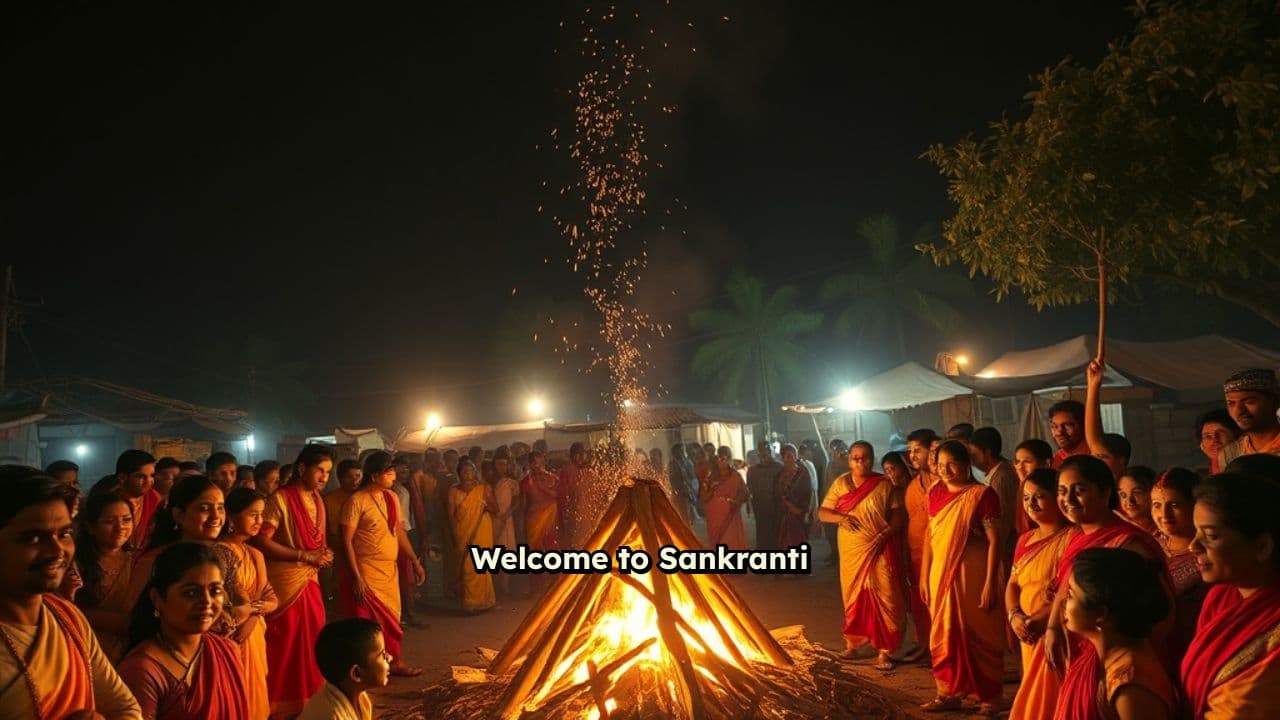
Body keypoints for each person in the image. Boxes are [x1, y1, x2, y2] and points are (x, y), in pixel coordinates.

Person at [0, 466, 142, 717]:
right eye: (33, 538)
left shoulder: (67, 617)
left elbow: (124, 707)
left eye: (64, 534)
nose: (57, 551)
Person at [1042, 456, 1171, 696]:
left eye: (1079, 490)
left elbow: (1159, 612)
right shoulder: (1078, 536)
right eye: (1061, 491)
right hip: (1077, 649)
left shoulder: (1128, 544)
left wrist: (1118, 658)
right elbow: (1067, 585)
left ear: (1104, 492)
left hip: (1111, 658)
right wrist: (1052, 628)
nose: (1068, 499)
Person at [1180, 472, 1280, 718]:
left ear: (1262, 546)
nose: (1193, 546)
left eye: (1210, 536)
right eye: (1195, 532)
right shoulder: (1221, 597)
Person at [918, 440, 1004, 714]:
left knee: (979, 631)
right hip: (939, 572)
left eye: (952, 464)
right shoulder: (934, 492)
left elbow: (996, 541)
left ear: (967, 465)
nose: (945, 470)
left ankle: (989, 696)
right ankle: (947, 692)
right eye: (940, 465)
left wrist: (991, 581)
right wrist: (923, 574)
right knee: (943, 631)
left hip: (973, 572)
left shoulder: (982, 495)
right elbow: (930, 536)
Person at [118, 542, 250, 719]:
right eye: (191, 593)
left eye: (215, 590)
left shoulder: (227, 650)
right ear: (157, 599)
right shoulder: (142, 670)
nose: (207, 602)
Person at [253, 444, 334, 717]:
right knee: (284, 644)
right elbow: (261, 540)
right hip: (286, 583)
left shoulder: (318, 500)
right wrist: (304, 555)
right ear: (302, 469)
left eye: (327, 472)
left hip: (309, 580)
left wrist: (321, 554)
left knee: (312, 640)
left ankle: (307, 701)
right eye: (319, 471)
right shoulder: (280, 499)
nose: (324, 477)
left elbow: (316, 540)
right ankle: (277, 705)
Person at [1053, 548, 1176, 720]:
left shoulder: (1131, 685)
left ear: (1100, 614)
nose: (1064, 603)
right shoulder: (1097, 656)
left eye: (1071, 595)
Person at [817, 441, 904, 671]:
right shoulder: (841, 483)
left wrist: (885, 533)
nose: (860, 461)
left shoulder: (884, 484)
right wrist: (842, 518)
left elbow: (897, 514)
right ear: (849, 460)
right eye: (855, 457)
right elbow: (823, 513)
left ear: (872, 458)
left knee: (886, 595)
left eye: (864, 457)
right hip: (851, 551)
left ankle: (884, 651)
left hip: (879, 547)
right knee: (853, 595)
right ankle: (853, 644)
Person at [339, 452, 425, 676]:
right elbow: (345, 540)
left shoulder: (391, 498)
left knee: (392, 620)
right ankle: (367, 669)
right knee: (368, 625)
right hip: (366, 571)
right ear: (376, 475)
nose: (394, 477)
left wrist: (415, 561)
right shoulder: (357, 501)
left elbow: (399, 532)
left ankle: (394, 662)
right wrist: (357, 577)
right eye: (390, 472)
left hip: (389, 571)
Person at [1006, 468, 1072, 720]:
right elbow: (1013, 583)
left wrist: (1041, 620)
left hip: (1053, 628)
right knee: (1030, 687)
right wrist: (1014, 615)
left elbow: (1067, 590)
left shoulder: (1071, 538)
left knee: (1049, 696)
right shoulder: (1025, 539)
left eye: (1039, 496)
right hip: (1025, 628)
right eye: (1026, 497)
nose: (1031, 504)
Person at [219, 488, 278, 720]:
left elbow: (273, 599)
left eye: (261, 515)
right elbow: (235, 597)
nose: (259, 521)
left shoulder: (255, 554)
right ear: (232, 517)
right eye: (252, 514)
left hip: (253, 632)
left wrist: (254, 614)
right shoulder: (220, 552)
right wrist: (255, 608)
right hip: (232, 636)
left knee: (256, 698)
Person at [1149, 468, 1206, 667]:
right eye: (1156, 505)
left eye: (1174, 504)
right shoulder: (1147, 545)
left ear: (1194, 505)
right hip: (1153, 652)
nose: (1164, 514)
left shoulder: (1208, 553)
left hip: (1195, 651)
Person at [73, 492, 137, 663]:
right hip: (89, 652)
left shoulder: (139, 560)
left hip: (134, 652)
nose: (121, 527)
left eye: (126, 519)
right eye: (110, 521)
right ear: (90, 527)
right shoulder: (76, 565)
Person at [299, 618, 389, 720]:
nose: (390, 658)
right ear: (356, 673)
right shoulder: (331, 715)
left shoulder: (360, 697)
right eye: (382, 654)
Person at [902, 428, 939, 662]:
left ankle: (940, 648)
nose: (913, 456)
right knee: (920, 602)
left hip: (940, 554)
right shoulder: (913, 485)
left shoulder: (943, 482)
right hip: (916, 553)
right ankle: (924, 643)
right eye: (910, 451)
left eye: (918, 450)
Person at [968, 427, 1021, 565]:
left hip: (1004, 550)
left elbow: (1002, 520)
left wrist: (996, 553)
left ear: (987, 452)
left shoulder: (1002, 476)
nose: (971, 459)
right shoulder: (993, 473)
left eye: (974, 454)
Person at [451, 458, 496, 613]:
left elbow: (495, 508)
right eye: (465, 471)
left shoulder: (484, 488)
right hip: (463, 531)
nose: (468, 475)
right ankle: (469, 601)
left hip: (481, 528)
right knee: (467, 566)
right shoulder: (453, 491)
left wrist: (486, 505)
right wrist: (453, 534)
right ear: (459, 474)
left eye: (471, 471)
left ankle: (484, 601)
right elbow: (451, 515)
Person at [1218, 368, 1280, 467]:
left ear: (1275, 402)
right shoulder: (1230, 453)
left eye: (1249, 402)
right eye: (1231, 403)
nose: (1239, 410)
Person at [522, 450, 559, 596]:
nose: (536, 466)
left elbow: (558, 496)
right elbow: (524, 506)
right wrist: (523, 525)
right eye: (533, 463)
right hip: (533, 521)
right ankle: (535, 588)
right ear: (529, 464)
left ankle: (555, 586)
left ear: (544, 462)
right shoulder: (525, 482)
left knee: (552, 550)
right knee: (535, 554)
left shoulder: (553, 479)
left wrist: (542, 488)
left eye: (539, 462)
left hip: (550, 519)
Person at [324, 459, 362, 601]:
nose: (354, 481)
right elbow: (326, 529)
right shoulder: (329, 500)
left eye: (358, 476)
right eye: (349, 477)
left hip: (362, 550)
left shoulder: (363, 497)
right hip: (338, 549)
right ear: (340, 478)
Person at [700, 447, 748, 550]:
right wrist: (712, 487)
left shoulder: (735, 476)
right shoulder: (710, 477)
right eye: (719, 457)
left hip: (730, 518)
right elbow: (703, 497)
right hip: (715, 518)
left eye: (724, 458)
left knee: (732, 545)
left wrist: (734, 502)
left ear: (729, 459)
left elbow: (745, 493)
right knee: (718, 546)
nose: (721, 461)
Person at [113, 449, 162, 549]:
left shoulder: (153, 498)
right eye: (141, 476)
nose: (149, 481)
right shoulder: (109, 500)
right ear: (122, 477)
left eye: (152, 476)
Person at [490, 449, 519, 597]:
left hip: (507, 520)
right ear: (495, 465)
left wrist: (507, 514)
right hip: (494, 519)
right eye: (500, 464)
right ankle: (496, 586)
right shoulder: (490, 482)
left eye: (505, 465)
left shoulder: (511, 483)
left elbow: (516, 501)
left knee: (507, 551)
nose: (502, 467)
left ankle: (505, 586)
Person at [746, 441, 783, 550]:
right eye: (761, 454)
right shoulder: (753, 470)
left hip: (776, 508)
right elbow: (750, 489)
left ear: (771, 453)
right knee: (762, 534)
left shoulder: (779, 468)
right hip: (760, 508)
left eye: (767, 453)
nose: (764, 457)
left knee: (776, 535)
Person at [776, 444, 813, 550]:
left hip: (798, 516)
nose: (790, 459)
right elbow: (777, 494)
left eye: (793, 456)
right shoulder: (780, 475)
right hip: (784, 516)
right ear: (783, 458)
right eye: (787, 456)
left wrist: (799, 510)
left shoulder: (803, 474)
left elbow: (808, 493)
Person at [821, 439, 849, 564]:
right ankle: (834, 553)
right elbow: (826, 483)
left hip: (844, 503)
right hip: (830, 502)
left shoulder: (848, 464)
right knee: (829, 529)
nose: (835, 451)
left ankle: (842, 555)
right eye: (833, 448)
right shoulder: (830, 464)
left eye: (838, 448)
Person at [557, 443, 587, 550]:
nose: (583, 457)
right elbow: (564, 495)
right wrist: (567, 512)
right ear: (575, 456)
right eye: (581, 454)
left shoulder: (581, 470)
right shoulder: (568, 471)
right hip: (572, 512)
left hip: (580, 511)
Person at [1194, 409, 1239, 476]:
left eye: (1220, 433)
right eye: (1208, 436)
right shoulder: (1203, 476)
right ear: (1202, 445)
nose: (1214, 440)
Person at [1115, 466, 1157, 534]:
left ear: (1153, 492)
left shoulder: (1166, 530)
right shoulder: (1115, 529)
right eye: (1123, 495)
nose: (1129, 501)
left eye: (1136, 493)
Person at [1048, 399, 1089, 468]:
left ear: (1083, 425)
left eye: (1067, 425)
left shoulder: (1096, 451)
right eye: (1054, 426)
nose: (1059, 432)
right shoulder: (1058, 458)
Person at [667, 444, 696, 525]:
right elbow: (671, 478)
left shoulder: (688, 462)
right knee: (680, 513)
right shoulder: (672, 464)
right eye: (678, 451)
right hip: (678, 492)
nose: (681, 453)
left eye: (682, 451)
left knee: (689, 513)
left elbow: (692, 476)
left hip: (688, 491)